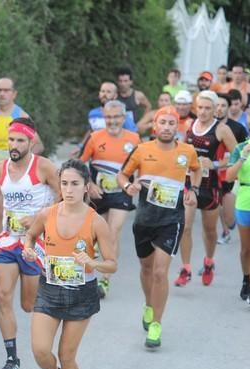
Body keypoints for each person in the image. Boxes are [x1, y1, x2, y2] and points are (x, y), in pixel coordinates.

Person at [23, 160, 117, 369]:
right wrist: (28, 248)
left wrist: (93, 262)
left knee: (67, 355)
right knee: (40, 350)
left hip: (80, 295)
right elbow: (29, 236)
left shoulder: (96, 222)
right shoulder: (47, 214)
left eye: (75, 184)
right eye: (64, 183)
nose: (69, 189)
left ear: (86, 187)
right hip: (49, 290)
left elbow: (113, 263)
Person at [0, 117, 59, 369]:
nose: (13, 144)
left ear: (31, 142)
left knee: (27, 305)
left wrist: (40, 218)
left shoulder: (44, 167)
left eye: (19, 140)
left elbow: (63, 197)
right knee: (3, 295)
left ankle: (47, 341)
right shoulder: (1, 167)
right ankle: (12, 359)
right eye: (11, 139)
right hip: (8, 240)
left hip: (37, 243)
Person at [117, 106, 201, 348]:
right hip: (144, 219)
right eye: (162, 122)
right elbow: (122, 175)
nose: (166, 127)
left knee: (159, 272)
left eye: (171, 123)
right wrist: (127, 187)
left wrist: (192, 190)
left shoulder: (187, 151)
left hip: (171, 219)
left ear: (178, 127)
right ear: (155, 126)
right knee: (146, 268)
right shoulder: (142, 150)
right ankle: (149, 304)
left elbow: (196, 170)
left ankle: (156, 324)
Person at [0, 77, 43, 274]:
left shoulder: (21, 115)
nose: (2, 94)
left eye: (6, 90)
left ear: (14, 93)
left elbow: (38, 144)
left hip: (11, 175)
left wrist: (23, 161)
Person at [175, 91, 237, 287]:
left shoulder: (221, 129)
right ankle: (186, 269)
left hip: (210, 187)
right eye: (200, 108)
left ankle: (209, 262)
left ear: (215, 109)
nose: (203, 112)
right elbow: (180, 151)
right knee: (185, 226)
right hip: (190, 184)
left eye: (207, 108)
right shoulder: (189, 126)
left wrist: (216, 164)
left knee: (209, 230)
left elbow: (237, 156)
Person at [80, 100, 141, 298]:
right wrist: (90, 185)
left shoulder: (134, 138)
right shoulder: (95, 137)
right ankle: (91, 274)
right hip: (99, 193)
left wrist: (137, 183)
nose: (112, 121)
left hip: (122, 192)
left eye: (116, 117)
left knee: (113, 230)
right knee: (100, 233)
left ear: (123, 118)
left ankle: (105, 281)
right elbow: (79, 166)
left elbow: (141, 166)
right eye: (108, 117)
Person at [215, 93, 249, 245]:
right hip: (211, 174)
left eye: (223, 105)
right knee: (218, 203)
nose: (219, 109)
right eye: (217, 105)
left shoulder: (238, 128)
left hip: (229, 174)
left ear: (228, 108)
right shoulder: (205, 127)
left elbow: (246, 149)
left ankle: (230, 224)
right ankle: (225, 231)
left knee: (229, 215)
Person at [72, 81, 137, 157]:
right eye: (102, 91)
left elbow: (133, 135)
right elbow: (91, 131)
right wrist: (81, 146)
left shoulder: (122, 115)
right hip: (95, 157)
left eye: (108, 92)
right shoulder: (92, 114)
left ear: (115, 95)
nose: (104, 94)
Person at [226, 138, 250, 305]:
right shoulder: (241, 147)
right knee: (245, 250)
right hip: (245, 202)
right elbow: (229, 177)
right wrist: (243, 157)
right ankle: (246, 278)